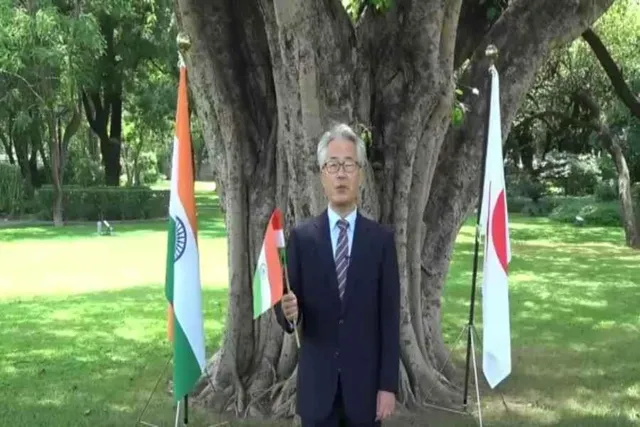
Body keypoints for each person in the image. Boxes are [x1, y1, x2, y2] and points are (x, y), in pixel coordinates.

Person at [275, 123, 400, 427]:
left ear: (360, 174)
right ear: (322, 176)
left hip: (366, 390)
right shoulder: (302, 239)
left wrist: (387, 386)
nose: (341, 173)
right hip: (318, 390)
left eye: (348, 165)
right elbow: (288, 311)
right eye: (333, 165)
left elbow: (389, 319)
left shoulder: (381, 241)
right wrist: (287, 311)